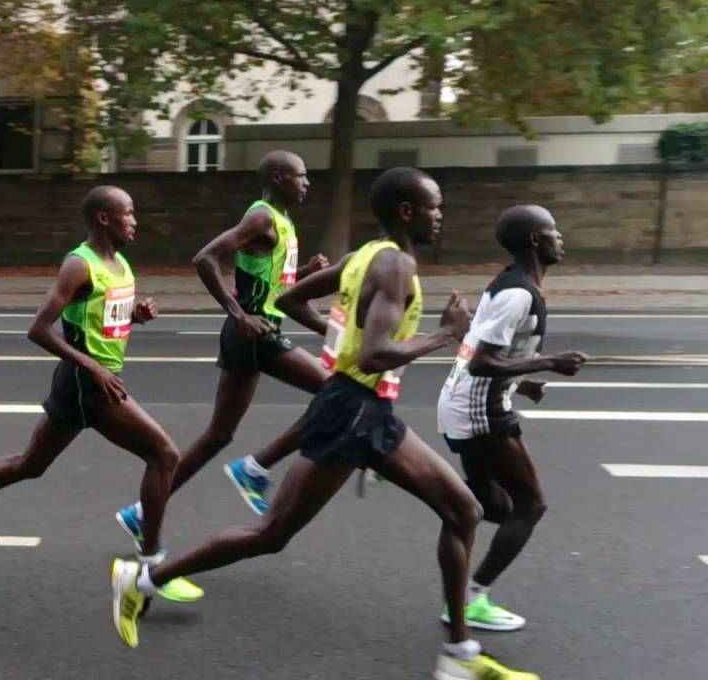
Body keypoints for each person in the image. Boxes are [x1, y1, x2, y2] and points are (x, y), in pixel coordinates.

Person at [111, 168, 541, 680]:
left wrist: (340, 341)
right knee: (273, 533)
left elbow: (288, 299)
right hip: (353, 409)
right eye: (434, 206)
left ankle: (459, 655)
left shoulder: (363, 255)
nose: (439, 216)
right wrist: (446, 334)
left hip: (363, 407)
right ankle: (145, 579)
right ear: (406, 211)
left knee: (462, 510)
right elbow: (376, 354)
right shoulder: (395, 265)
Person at [0, 185, 201, 602]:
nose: (135, 221)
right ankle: (152, 564)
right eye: (128, 213)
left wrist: (133, 317)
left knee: (30, 465)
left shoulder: (118, 262)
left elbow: (98, 320)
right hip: (89, 385)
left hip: (87, 381)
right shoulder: (79, 265)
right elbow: (38, 330)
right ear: (104, 218)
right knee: (165, 455)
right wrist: (93, 367)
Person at [115, 150, 329, 548]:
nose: (307, 182)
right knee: (336, 391)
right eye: (300, 175)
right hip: (254, 335)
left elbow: (269, 286)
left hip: (250, 335)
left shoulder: (281, 221)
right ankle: (257, 466)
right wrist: (239, 314)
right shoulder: (262, 217)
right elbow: (205, 258)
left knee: (218, 435)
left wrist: (303, 274)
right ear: (278, 178)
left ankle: (142, 512)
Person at [436, 204, 587, 633]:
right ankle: (472, 598)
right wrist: (548, 363)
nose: (561, 237)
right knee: (531, 505)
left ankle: (419, 481)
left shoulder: (512, 285)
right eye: (554, 230)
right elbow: (481, 361)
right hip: (480, 410)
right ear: (536, 240)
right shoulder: (517, 294)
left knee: (493, 507)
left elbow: (486, 350)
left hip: (467, 402)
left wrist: (522, 382)